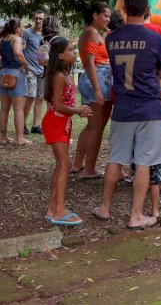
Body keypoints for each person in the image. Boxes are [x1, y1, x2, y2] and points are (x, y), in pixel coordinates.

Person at [92, 0, 161, 230]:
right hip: (149, 109)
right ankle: (136, 215)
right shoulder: (154, 38)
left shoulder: (112, 39)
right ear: (147, 10)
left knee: (116, 159)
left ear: (123, 9)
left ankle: (104, 208)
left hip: (122, 108)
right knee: (144, 162)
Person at [42, 37, 92, 226]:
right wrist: (79, 110)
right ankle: (59, 210)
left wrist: (78, 110)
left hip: (62, 123)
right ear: (61, 55)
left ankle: (53, 208)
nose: (74, 53)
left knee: (61, 165)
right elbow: (60, 105)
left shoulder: (65, 75)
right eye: (70, 50)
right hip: (56, 122)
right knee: (65, 164)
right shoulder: (59, 76)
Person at [72, 3, 113, 179]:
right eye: (106, 16)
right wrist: (97, 89)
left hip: (96, 78)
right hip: (96, 79)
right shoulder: (92, 32)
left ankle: (78, 163)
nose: (108, 20)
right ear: (95, 15)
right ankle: (89, 169)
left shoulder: (95, 33)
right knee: (96, 127)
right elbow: (89, 62)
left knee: (92, 126)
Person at [0, 19, 31, 145]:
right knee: (18, 109)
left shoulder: (3, 39)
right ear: (17, 28)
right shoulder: (16, 39)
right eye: (22, 27)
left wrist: (1, 61)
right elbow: (18, 53)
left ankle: (3, 137)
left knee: (4, 108)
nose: (23, 29)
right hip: (16, 74)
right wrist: (26, 64)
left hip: (3, 74)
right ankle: (20, 138)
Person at [22, 10, 46, 135]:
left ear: (44, 20)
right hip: (30, 68)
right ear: (33, 18)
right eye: (36, 18)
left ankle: (35, 125)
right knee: (30, 96)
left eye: (41, 19)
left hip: (43, 70)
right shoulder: (27, 32)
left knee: (40, 98)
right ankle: (22, 123)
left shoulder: (46, 34)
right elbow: (22, 48)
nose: (38, 21)